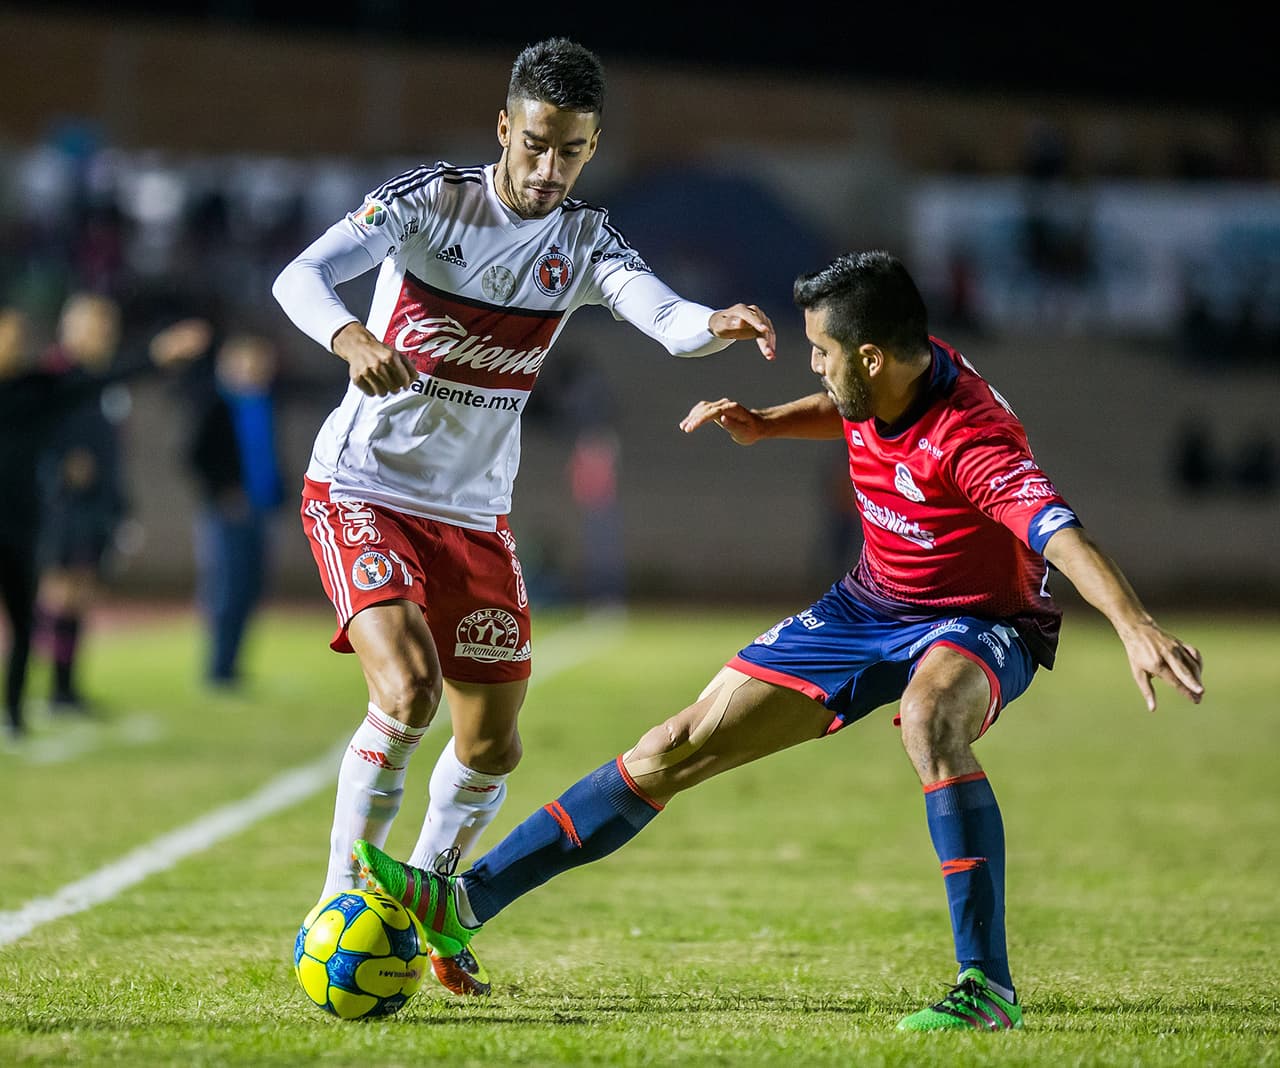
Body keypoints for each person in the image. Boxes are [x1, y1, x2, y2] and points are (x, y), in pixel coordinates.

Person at [351, 250, 1205, 1030]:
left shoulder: (971, 437)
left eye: (823, 353)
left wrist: (1134, 626)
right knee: (671, 747)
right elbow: (850, 411)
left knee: (929, 718)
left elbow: (1057, 531)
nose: (816, 365)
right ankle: (461, 903)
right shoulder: (892, 366)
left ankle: (985, 989)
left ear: (870, 355)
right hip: (866, 605)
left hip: (980, 619)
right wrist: (766, 423)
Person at [270, 36, 776, 996]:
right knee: (410, 691)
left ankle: (426, 895)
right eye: (537, 143)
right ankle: (340, 902)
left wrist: (711, 323)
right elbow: (300, 273)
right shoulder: (431, 201)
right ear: (504, 127)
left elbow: (661, 316)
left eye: (573, 150)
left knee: (493, 742)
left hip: (474, 517)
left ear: (592, 147)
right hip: (363, 487)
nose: (550, 170)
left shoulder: (582, 240)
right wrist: (349, 335)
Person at [179, 332, 287, 687]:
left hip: (261, 510)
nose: (256, 369)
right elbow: (194, 458)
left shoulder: (263, 403)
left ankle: (231, 665)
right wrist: (224, 493)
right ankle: (217, 668)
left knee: (250, 588)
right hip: (226, 514)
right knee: (225, 588)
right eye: (249, 362)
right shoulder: (216, 404)